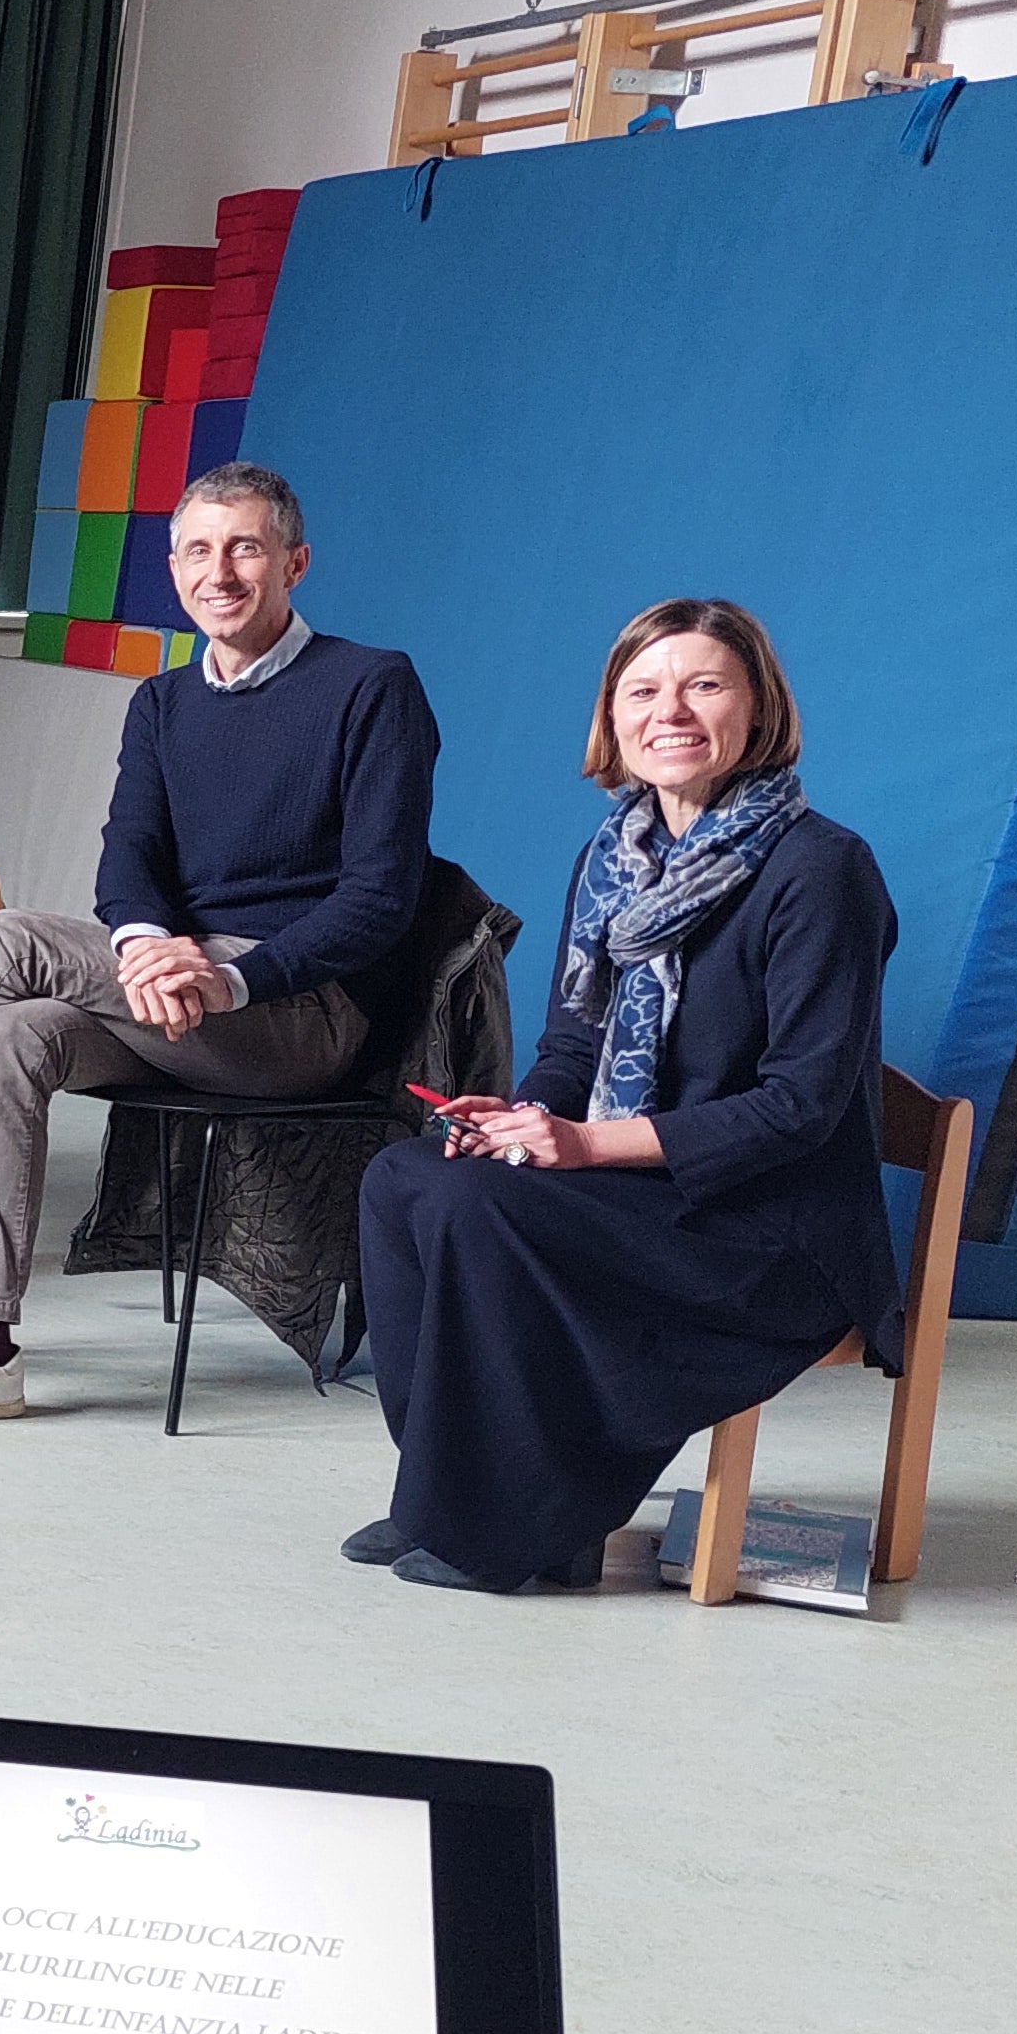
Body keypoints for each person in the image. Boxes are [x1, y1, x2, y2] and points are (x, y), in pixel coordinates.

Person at [0, 462, 434, 1424]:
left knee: (5, 941)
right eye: (196, 550)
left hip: (297, 1012)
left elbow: (381, 898)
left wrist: (229, 977)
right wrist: (146, 946)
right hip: (166, 997)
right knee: (15, 1037)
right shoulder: (164, 704)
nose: (218, 570)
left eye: (245, 547)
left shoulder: (371, 686)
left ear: (295, 563)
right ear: (174, 569)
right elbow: (126, 861)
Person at [356, 601, 893, 1592]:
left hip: (767, 1227)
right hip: (644, 1194)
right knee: (405, 1180)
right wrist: (524, 1122)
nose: (671, 711)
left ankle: (520, 1523)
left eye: (704, 685)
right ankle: (454, 1489)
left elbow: (800, 1105)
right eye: (643, 690)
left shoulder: (821, 869)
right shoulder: (610, 862)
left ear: (756, 706)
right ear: (613, 717)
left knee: (481, 1215)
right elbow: (573, 1043)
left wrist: (584, 1149)